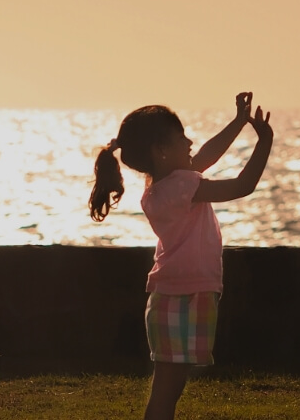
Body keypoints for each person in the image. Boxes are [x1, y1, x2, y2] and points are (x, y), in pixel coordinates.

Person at [89, 92, 273, 420]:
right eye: (180, 138)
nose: (189, 142)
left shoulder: (163, 186)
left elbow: (204, 156)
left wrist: (238, 122)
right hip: (185, 297)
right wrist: (265, 141)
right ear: (160, 151)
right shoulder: (181, 188)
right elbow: (242, 185)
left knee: (167, 391)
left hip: (172, 296)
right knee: (166, 392)